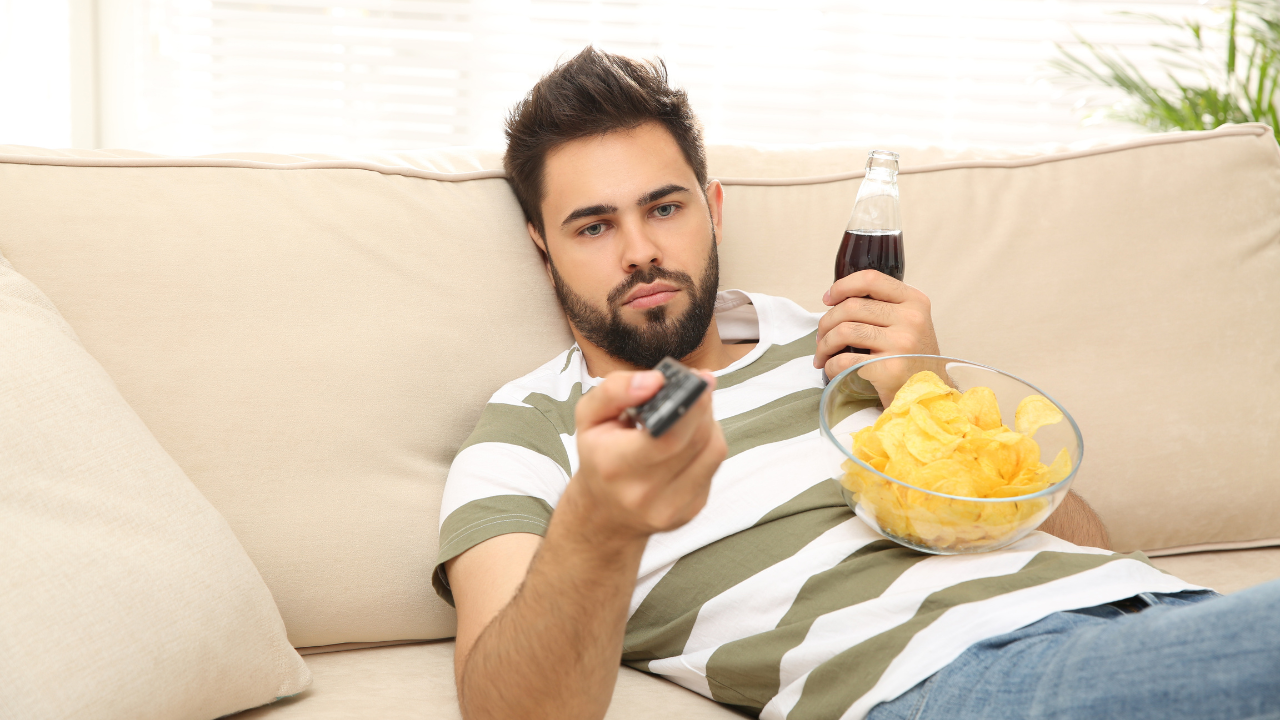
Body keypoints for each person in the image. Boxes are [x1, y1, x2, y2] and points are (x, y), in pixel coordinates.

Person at [433, 47, 1278, 720]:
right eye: (593, 225)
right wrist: (600, 524)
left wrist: (932, 391)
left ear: (714, 209)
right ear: (543, 250)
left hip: (1155, 613)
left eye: (664, 208)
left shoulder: (837, 334)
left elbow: (1092, 552)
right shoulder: (530, 430)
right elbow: (508, 708)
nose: (640, 251)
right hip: (960, 678)